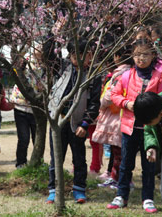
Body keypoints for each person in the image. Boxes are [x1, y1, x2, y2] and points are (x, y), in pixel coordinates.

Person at [107, 38, 162, 213]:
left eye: (146, 54)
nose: (141, 59)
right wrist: (126, 103)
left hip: (149, 129)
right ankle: (121, 196)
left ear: (153, 56)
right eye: (138, 55)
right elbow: (114, 94)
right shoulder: (126, 75)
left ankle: (147, 198)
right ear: (132, 56)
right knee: (126, 164)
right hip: (129, 128)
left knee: (149, 166)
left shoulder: (158, 76)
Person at [45, 39, 102, 204]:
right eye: (74, 54)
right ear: (69, 55)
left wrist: (85, 124)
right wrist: (54, 34)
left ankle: (79, 189)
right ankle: (54, 190)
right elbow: (48, 55)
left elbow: (94, 103)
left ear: (90, 56)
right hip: (58, 121)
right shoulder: (62, 67)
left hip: (77, 124)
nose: (78, 58)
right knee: (56, 157)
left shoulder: (93, 75)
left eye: (84, 55)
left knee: (79, 158)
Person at [93, 45, 132, 189]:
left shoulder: (120, 73)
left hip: (117, 116)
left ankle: (120, 179)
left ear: (117, 56)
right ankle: (117, 177)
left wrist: (102, 103)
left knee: (119, 152)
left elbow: (110, 95)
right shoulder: (131, 72)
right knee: (120, 151)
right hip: (124, 114)